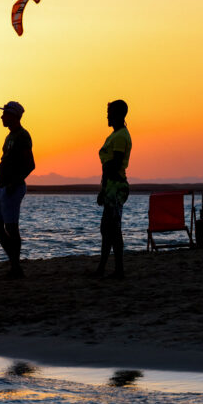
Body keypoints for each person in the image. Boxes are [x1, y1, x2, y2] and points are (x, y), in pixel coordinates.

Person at [0, 101, 35, 279]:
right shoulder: (9, 137)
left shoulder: (23, 136)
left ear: (14, 116)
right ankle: (15, 264)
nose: (2, 117)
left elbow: (30, 164)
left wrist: (13, 183)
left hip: (12, 188)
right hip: (2, 188)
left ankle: (16, 267)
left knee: (11, 227)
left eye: (5, 114)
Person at [93, 99, 132, 279]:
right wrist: (103, 187)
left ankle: (119, 270)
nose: (107, 116)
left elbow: (115, 163)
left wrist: (106, 181)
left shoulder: (121, 136)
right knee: (106, 228)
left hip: (116, 186)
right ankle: (103, 267)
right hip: (110, 186)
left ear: (118, 115)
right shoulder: (115, 135)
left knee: (113, 228)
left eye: (109, 113)